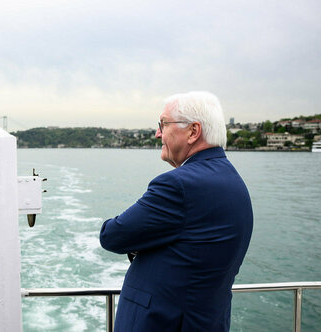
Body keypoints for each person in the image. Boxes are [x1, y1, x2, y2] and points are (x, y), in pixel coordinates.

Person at [99, 91, 253, 331]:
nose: (158, 133)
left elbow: (112, 235)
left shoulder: (178, 185)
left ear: (193, 131)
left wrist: (144, 242)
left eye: (163, 124)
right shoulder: (234, 182)